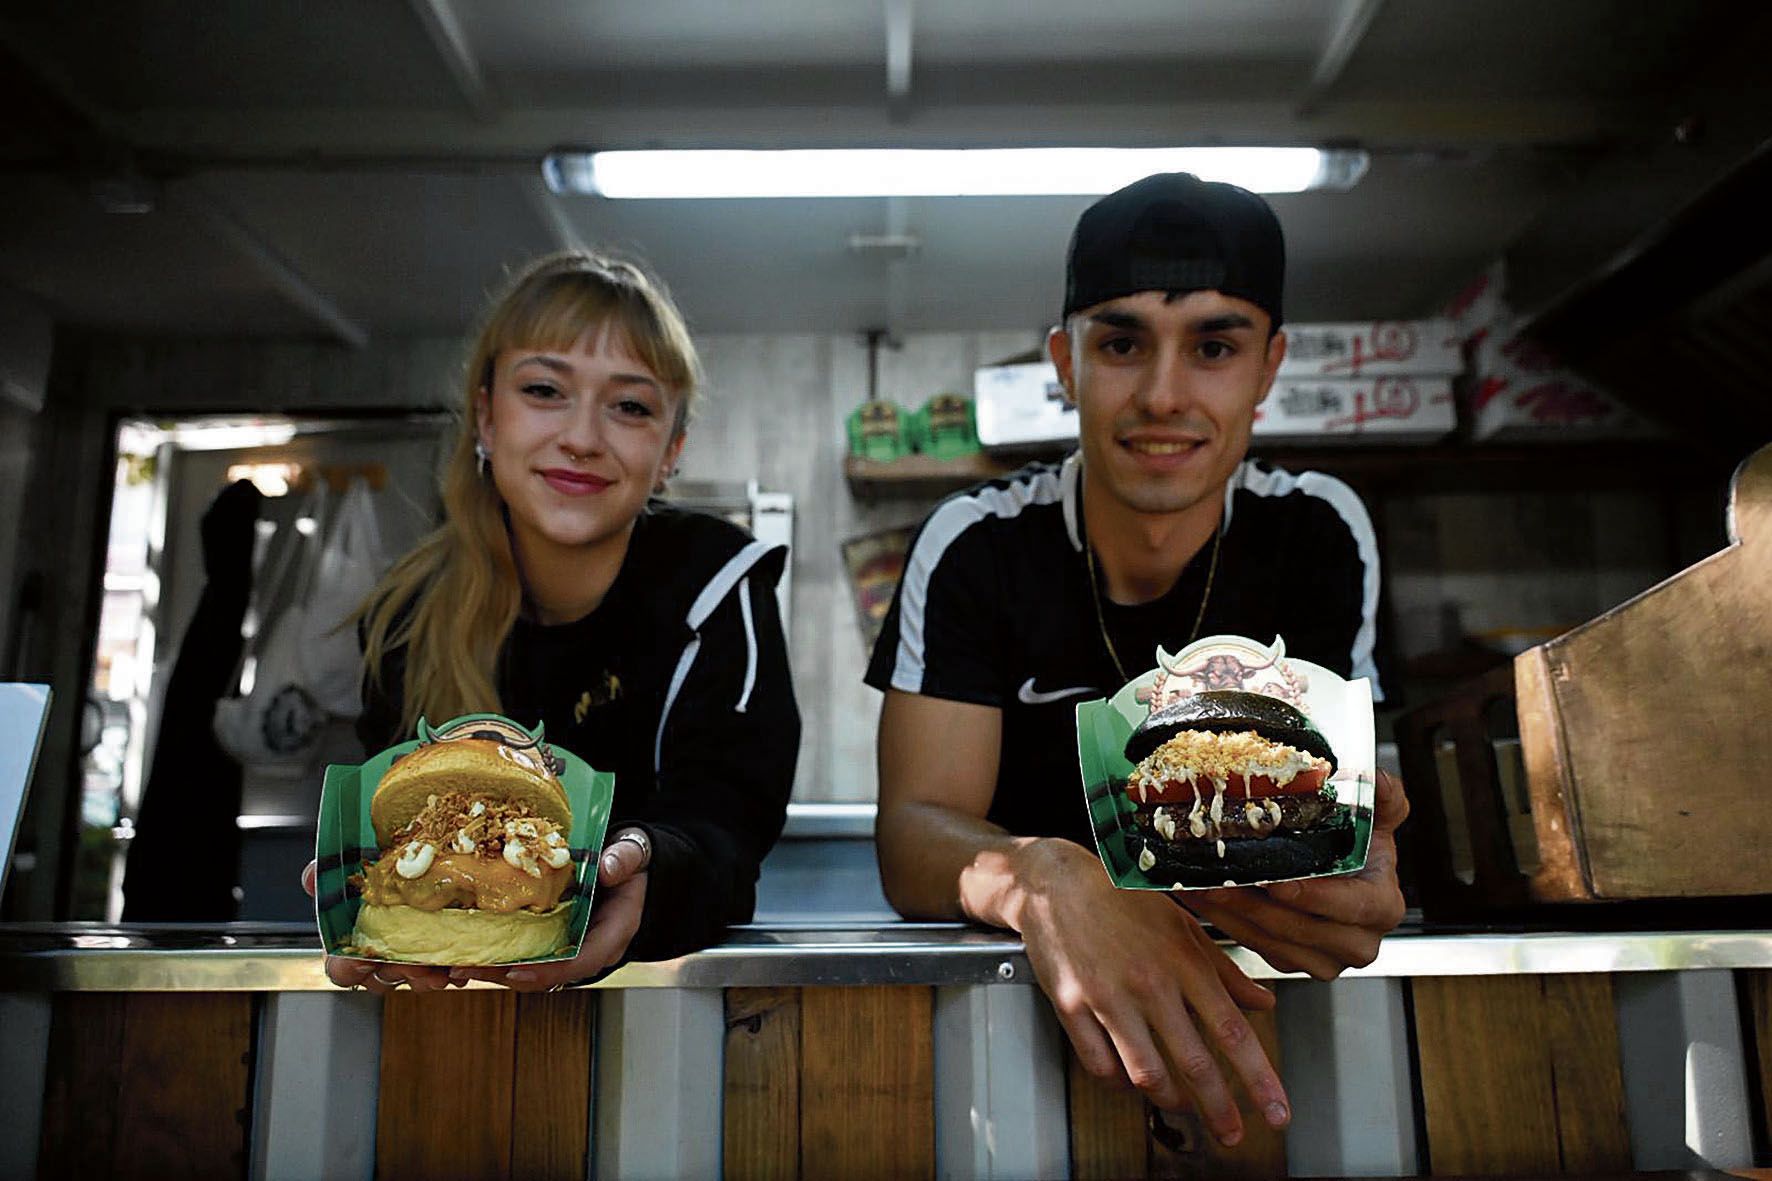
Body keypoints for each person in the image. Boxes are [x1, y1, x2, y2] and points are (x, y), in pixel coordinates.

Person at [865, 173, 1408, 1147]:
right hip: (1013, 1042)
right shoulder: (975, 544)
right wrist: (1046, 876)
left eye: (1213, 346)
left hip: (1265, 1027)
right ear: (1064, 362)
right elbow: (910, 836)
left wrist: (1359, 864)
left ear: (1267, 366)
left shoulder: (1319, 528)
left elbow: (1347, 806)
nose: (1162, 394)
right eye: (1120, 344)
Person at [310, 251, 800, 994]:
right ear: (485, 415)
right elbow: (386, 825)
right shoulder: (404, 614)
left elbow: (726, 828)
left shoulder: (717, 582)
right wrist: (367, 897)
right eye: (544, 390)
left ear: (670, 451)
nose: (582, 436)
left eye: (629, 406)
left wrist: (646, 870)